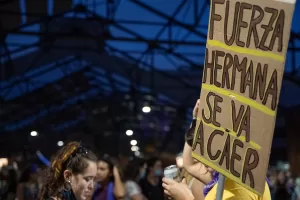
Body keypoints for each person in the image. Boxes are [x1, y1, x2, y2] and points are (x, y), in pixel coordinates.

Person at [163, 99, 272, 200]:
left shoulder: (238, 190)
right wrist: (196, 120)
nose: (200, 158)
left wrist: (186, 197)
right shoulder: (228, 179)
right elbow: (190, 164)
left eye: (208, 150)